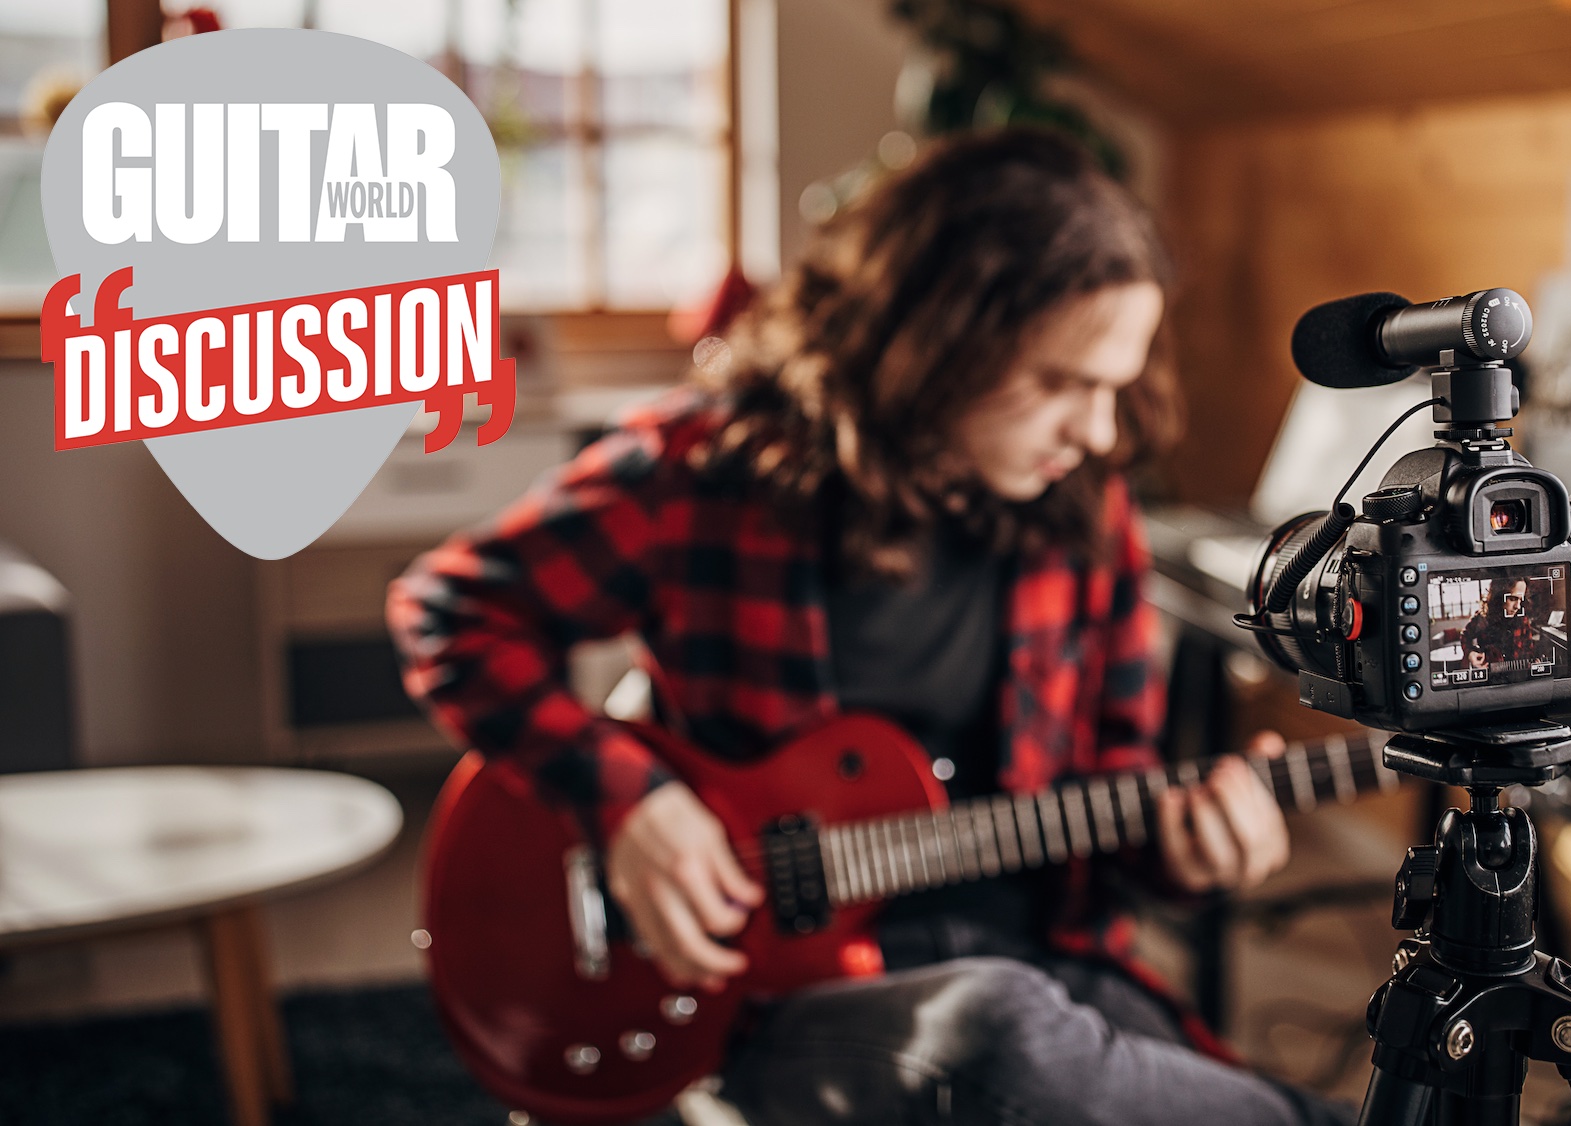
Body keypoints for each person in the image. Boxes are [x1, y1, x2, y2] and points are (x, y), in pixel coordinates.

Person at [388, 127, 1350, 1126]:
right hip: (774, 999)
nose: (1099, 430)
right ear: (932, 345)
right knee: (1000, 1033)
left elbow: (1111, 794)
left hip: (1042, 958)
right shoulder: (701, 471)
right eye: (1060, 383)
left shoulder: (1088, 514)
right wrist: (633, 807)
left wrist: (1187, 853)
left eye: (1113, 385)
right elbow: (449, 609)